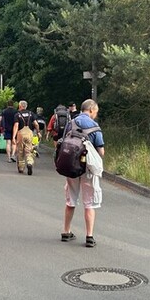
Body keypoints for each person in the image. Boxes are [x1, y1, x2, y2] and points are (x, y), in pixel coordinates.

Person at [61, 99, 105, 247]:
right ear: (91, 110)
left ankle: (66, 232)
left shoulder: (71, 123)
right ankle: (89, 236)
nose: (95, 115)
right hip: (87, 169)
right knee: (89, 203)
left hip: (71, 166)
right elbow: (101, 151)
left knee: (70, 201)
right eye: (96, 112)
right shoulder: (94, 126)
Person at [12, 100, 40, 174]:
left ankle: (21, 167)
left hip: (21, 133)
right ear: (26, 106)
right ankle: (29, 163)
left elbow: (16, 126)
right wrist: (38, 132)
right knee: (29, 150)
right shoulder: (31, 114)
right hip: (29, 133)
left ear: (20, 106)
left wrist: (13, 137)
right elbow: (36, 124)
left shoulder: (17, 114)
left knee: (20, 151)